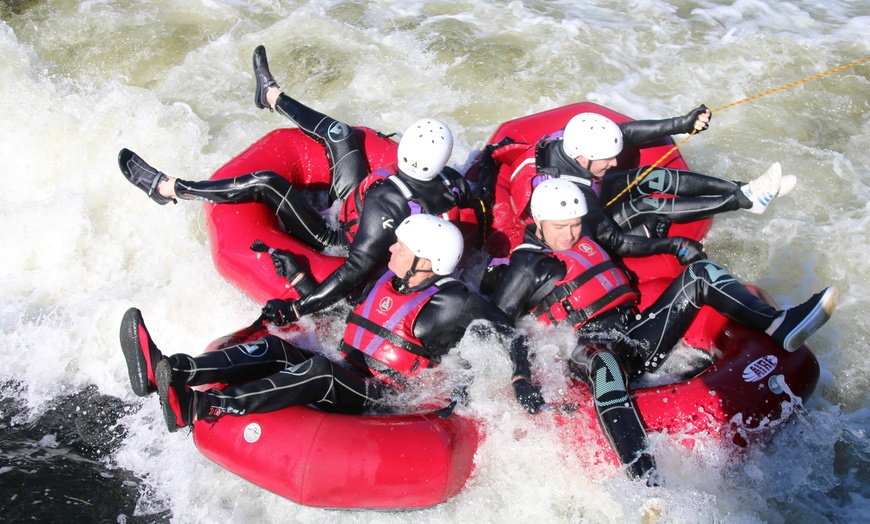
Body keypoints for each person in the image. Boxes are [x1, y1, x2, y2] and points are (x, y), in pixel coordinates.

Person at [490, 178, 837, 483]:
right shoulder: (526, 266)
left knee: (699, 275)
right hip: (588, 352)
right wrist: (521, 376)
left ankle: (779, 324)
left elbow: (622, 243)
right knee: (605, 364)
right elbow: (499, 325)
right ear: (537, 221)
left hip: (633, 337)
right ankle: (644, 477)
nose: (569, 235)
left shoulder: (583, 233)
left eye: (575, 225)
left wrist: (670, 244)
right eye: (559, 227)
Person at [119, 215, 544, 431]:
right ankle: (172, 369)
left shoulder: (457, 302)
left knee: (318, 372)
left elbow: (511, 335)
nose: (391, 247)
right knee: (275, 347)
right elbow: (346, 306)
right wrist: (299, 282)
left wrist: (521, 379)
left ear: (427, 261)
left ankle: (199, 407)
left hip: (383, 397)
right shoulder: (390, 277)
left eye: (402, 245)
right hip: (350, 370)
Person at [118, 45, 485, 293]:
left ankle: (169, 189)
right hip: (356, 202)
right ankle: (271, 95)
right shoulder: (449, 180)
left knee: (268, 182)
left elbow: (356, 266)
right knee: (339, 132)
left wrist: (307, 301)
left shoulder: (392, 207)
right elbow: (476, 198)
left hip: (336, 237)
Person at [478, 108, 797, 244]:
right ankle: (739, 200)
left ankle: (747, 192)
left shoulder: (564, 141)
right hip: (574, 227)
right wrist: (668, 245)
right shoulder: (569, 194)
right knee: (644, 205)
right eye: (607, 158)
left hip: (580, 193)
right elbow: (606, 239)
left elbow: (625, 132)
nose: (615, 162)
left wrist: (682, 123)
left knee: (646, 176)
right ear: (583, 158)